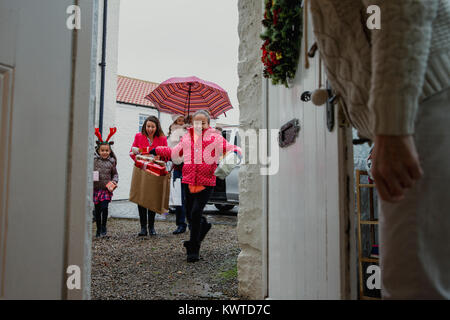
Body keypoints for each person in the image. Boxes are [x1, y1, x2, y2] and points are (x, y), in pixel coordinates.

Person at [310, 0, 450, 298]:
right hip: (419, 101)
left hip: (422, 99)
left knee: (414, 285)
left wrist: (393, 125)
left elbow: (403, 6)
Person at [151, 110, 241, 262]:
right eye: (196, 122)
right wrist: (156, 150)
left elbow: (232, 149)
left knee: (195, 212)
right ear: (192, 123)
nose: (199, 125)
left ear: (208, 124)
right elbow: (174, 153)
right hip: (188, 181)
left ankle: (193, 248)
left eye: (202, 123)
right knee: (189, 215)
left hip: (206, 183)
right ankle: (203, 226)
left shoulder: (215, 138)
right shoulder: (186, 138)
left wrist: (236, 154)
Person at [129, 115, 167, 236]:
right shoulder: (138, 136)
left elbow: (166, 154)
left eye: (152, 126)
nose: (150, 129)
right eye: (148, 126)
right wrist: (140, 158)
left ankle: (151, 227)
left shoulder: (162, 138)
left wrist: (159, 157)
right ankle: (143, 228)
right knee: (141, 199)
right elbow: (132, 152)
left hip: (155, 171)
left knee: (152, 199)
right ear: (145, 126)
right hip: (141, 170)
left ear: (157, 127)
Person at [93, 130, 119, 238]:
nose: (104, 152)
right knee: (97, 211)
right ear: (98, 151)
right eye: (102, 150)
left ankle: (104, 226)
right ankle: (98, 229)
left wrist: (114, 182)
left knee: (104, 207)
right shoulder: (94, 161)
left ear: (109, 151)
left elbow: (115, 175)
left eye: (106, 150)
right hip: (96, 190)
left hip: (106, 190)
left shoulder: (111, 162)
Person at [168, 114, 188, 234]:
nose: (180, 122)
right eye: (178, 121)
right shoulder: (172, 133)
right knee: (178, 197)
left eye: (182, 120)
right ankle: (180, 224)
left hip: (189, 167)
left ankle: (191, 222)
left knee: (189, 197)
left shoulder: (190, 132)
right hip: (177, 168)